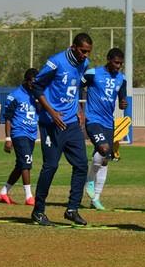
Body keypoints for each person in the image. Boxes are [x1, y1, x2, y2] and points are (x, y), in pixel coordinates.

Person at [30, 33, 92, 226]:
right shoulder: (55, 62)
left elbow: (75, 88)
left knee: (82, 165)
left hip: (72, 122)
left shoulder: (84, 64)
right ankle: (38, 211)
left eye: (88, 52)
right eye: (82, 51)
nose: (85, 55)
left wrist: (80, 109)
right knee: (51, 166)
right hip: (51, 123)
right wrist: (52, 112)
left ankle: (72, 209)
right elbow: (36, 87)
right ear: (73, 47)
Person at [83, 48, 127, 211]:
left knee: (106, 159)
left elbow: (122, 98)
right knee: (103, 149)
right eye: (116, 63)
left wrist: (123, 103)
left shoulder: (122, 79)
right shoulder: (92, 73)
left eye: (121, 64)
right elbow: (77, 87)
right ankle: (89, 180)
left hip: (109, 122)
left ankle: (96, 198)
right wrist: (78, 109)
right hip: (93, 119)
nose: (118, 66)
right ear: (108, 59)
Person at [0, 68, 39, 206]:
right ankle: (29, 197)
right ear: (26, 81)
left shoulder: (37, 95)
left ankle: (4, 192)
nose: (34, 85)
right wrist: (8, 138)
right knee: (26, 163)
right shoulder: (15, 95)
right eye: (32, 82)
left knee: (21, 165)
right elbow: (8, 118)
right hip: (19, 133)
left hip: (31, 134)